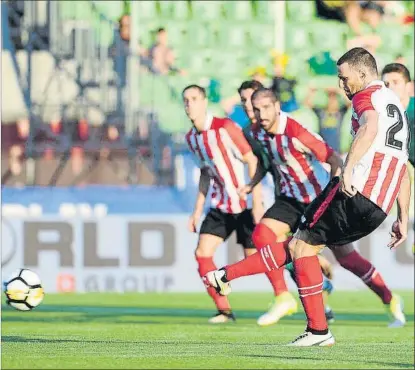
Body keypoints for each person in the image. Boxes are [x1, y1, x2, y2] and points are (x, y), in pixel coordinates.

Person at [205, 47, 410, 346]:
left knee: (300, 246)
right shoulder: (395, 106)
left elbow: (369, 128)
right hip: (381, 207)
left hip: (355, 191)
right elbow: (402, 166)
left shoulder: (366, 96)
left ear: (363, 74)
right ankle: (225, 276)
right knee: (303, 247)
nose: (342, 85)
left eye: (344, 78)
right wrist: (402, 217)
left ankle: (318, 329)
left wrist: (349, 169)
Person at [238, 80, 336, 326]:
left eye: (261, 106)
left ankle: (386, 298)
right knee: (262, 236)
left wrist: (336, 191)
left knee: (341, 257)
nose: (255, 111)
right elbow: (266, 162)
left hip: (314, 199)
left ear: (274, 106)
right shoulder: (254, 132)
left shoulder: (294, 130)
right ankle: (283, 297)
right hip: (288, 199)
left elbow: (331, 157)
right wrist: (253, 184)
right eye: (248, 104)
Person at [183, 84, 263, 323]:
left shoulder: (225, 127)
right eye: (186, 100)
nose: (190, 104)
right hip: (220, 205)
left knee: (259, 257)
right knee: (202, 253)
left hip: (245, 203)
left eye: (194, 99)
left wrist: (256, 200)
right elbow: (205, 174)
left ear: (205, 102)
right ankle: (224, 310)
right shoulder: (191, 138)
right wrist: (196, 211)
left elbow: (251, 159)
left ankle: (307, 266)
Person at [381, 63, 414, 167]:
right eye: (386, 84)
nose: (390, 87)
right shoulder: (379, 113)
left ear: (409, 86)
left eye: (396, 82)